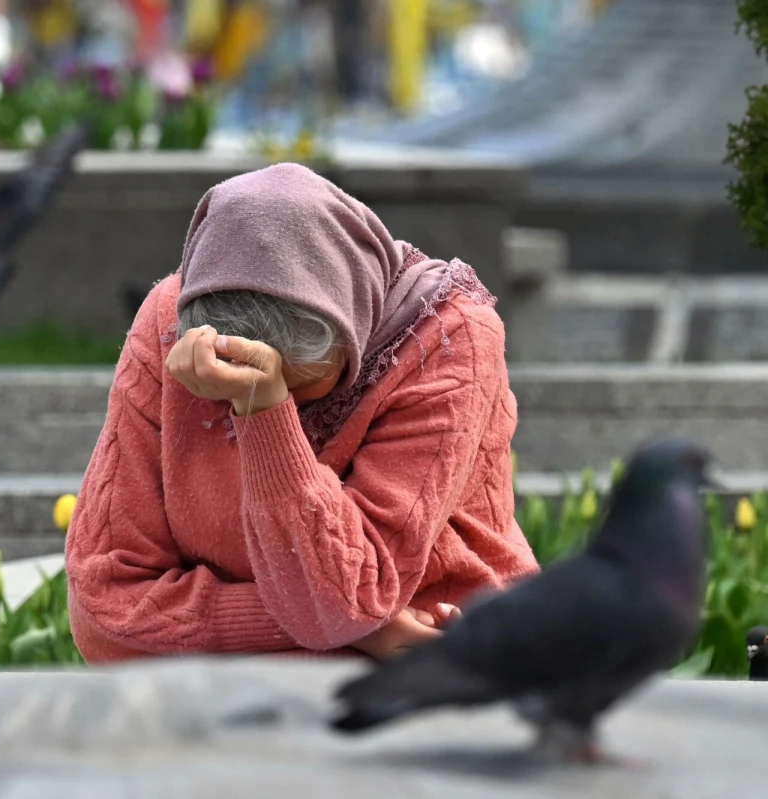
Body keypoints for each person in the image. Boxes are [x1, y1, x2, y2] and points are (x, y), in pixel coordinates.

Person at [65, 162, 539, 663]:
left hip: (438, 654)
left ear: (350, 325)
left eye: (303, 384)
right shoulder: (173, 320)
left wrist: (265, 411)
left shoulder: (448, 339)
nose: (290, 401)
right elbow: (105, 606)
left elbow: (347, 600)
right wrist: (353, 632)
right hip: (348, 651)